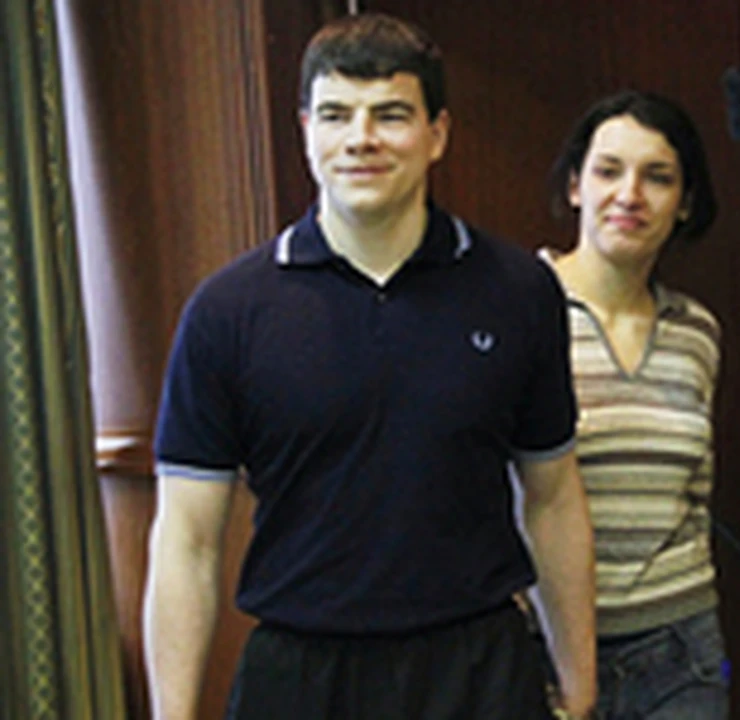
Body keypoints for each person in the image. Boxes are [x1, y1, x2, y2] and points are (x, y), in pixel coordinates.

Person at [142, 12, 596, 720]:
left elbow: (553, 498)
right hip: (298, 677)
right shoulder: (227, 311)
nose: (361, 139)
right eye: (335, 115)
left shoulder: (518, 291)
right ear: (306, 130)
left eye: (390, 115)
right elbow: (186, 540)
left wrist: (579, 684)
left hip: (478, 670)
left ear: (437, 134)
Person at [541, 91, 728, 719]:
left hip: (682, 649)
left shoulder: (697, 330)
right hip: (544, 647)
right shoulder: (517, 310)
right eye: (608, 171)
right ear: (575, 186)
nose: (630, 195)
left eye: (658, 177)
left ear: (685, 203)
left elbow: (696, 495)